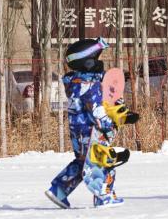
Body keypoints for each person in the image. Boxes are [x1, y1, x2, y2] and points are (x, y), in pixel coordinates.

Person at [45, 37, 124, 208]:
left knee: (83, 162)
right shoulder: (90, 84)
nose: (98, 63)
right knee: (104, 160)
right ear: (88, 62)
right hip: (92, 130)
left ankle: (59, 189)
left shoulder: (75, 82)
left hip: (77, 130)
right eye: (96, 59)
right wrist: (108, 125)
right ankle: (104, 196)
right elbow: (97, 109)